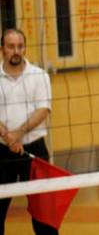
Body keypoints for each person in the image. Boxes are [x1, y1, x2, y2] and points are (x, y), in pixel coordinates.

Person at [0, 28, 55, 235]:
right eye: (11, 46)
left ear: (25, 48)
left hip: (34, 150)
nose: (16, 51)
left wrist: (17, 134)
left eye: (20, 46)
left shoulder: (38, 75)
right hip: (3, 151)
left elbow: (43, 110)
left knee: (44, 214)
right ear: (2, 49)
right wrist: (7, 136)